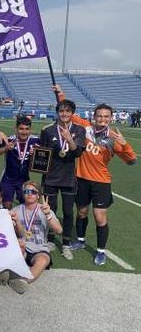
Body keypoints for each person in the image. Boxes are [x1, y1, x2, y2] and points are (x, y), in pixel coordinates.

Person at [54, 86, 137, 265]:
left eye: (106, 116)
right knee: (82, 212)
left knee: (100, 217)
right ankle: (81, 241)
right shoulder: (85, 128)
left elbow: (131, 161)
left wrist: (125, 144)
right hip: (81, 178)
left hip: (101, 182)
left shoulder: (114, 138)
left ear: (111, 118)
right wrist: (60, 93)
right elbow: (66, 111)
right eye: (99, 116)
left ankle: (100, 251)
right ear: (94, 117)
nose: (102, 119)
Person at [40, 98, 85, 260]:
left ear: (72, 113)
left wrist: (69, 139)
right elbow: (42, 153)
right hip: (50, 177)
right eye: (61, 111)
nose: (64, 114)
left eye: (67, 111)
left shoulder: (79, 130)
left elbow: (78, 152)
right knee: (50, 211)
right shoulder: (48, 130)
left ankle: (65, 244)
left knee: (67, 212)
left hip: (69, 178)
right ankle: (50, 240)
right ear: (57, 112)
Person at [9, 181, 62, 294]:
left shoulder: (45, 210)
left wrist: (48, 215)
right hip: (22, 246)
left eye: (33, 192)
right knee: (19, 245)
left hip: (39, 249)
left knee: (43, 260)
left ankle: (23, 281)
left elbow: (59, 230)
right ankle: (7, 273)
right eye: (26, 191)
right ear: (23, 194)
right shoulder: (16, 210)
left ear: (38, 195)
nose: (29, 194)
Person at [0, 116, 40, 209]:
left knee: (26, 204)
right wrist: (6, 148)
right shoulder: (9, 140)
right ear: (16, 128)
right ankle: (9, 223)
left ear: (31, 130)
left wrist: (36, 153)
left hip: (24, 180)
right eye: (21, 129)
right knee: (7, 205)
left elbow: (44, 154)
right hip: (8, 179)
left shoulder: (36, 141)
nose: (24, 131)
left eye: (27, 129)